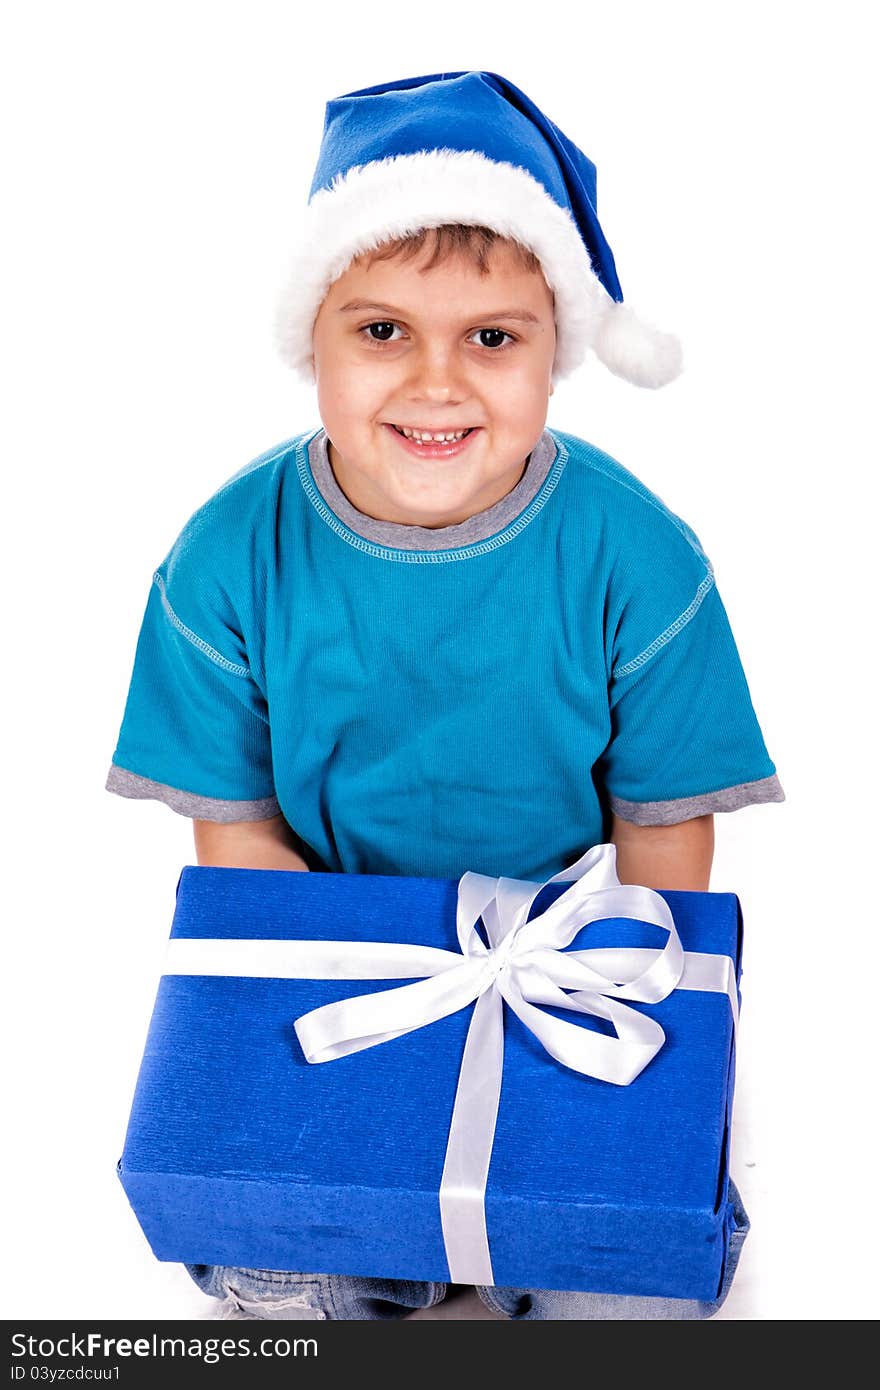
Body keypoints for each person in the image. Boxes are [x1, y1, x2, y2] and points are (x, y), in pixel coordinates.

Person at [106, 71, 782, 1320]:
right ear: (309, 339)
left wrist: (599, 1013)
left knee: (597, 1250)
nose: (436, 384)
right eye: (380, 332)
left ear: (555, 350)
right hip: (334, 949)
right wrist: (354, 1092)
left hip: (555, 946)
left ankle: (523, 1224)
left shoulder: (639, 560)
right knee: (292, 1254)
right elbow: (240, 835)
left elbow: (661, 836)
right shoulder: (222, 560)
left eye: (492, 336)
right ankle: (359, 1239)